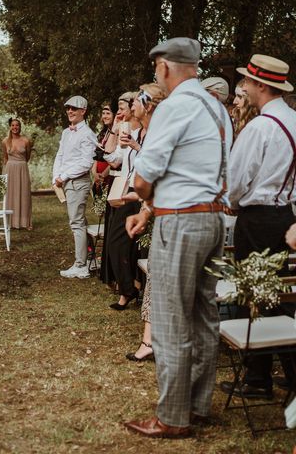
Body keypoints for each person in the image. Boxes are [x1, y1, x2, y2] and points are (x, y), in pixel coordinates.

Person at [124, 37, 233, 438]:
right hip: (213, 220)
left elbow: (144, 174)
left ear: (166, 66)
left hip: (181, 223)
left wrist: (147, 198)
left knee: (170, 318)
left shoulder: (175, 106)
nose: (156, 74)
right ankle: (198, 405)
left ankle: (172, 416)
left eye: (156, 67)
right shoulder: (218, 110)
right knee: (205, 314)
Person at [220, 54, 296, 400]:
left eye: (248, 82)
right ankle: (268, 376)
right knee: (280, 293)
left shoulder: (260, 127)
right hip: (286, 218)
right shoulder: (294, 121)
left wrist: (234, 202)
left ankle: (257, 379)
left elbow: (236, 179)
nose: (245, 87)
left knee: (255, 295)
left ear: (262, 86)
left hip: (257, 218)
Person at [115, 83, 167, 357]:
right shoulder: (153, 131)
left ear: (148, 105)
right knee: (156, 275)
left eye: (137, 100)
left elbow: (146, 179)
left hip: (168, 215)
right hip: (156, 211)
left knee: (159, 276)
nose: (132, 103)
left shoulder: (160, 135)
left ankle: (153, 342)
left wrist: (143, 198)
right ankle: (149, 341)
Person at [103, 92, 143, 308]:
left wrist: (137, 146)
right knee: (116, 242)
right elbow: (116, 158)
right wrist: (111, 134)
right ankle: (128, 289)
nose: (118, 111)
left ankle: (131, 289)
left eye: (122, 107)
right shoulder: (128, 131)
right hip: (126, 190)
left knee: (125, 244)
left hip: (142, 193)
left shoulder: (147, 133)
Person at [53, 95, 97, 279]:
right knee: (78, 221)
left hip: (78, 182)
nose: (69, 111)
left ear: (83, 111)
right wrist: (56, 175)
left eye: (73, 108)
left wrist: (64, 176)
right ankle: (88, 259)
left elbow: (85, 163)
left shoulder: (88, 134)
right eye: (67, 108)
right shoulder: (65, 132)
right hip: (68, 182)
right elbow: (60, 155)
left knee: (76, 222)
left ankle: (81, 265)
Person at [2, 117, 32, 230]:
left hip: (22, 167)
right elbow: (5, 157)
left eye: (17, 125)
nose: (15, 127)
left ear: (20, 127)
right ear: (10, 127)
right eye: (13, 125)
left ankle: (25, 222)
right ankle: (11, 222)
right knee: (10, 194)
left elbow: (28, 156)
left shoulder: (26, 140)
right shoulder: (5, 141)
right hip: (10, 168)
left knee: (24, 193)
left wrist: (21, 164)